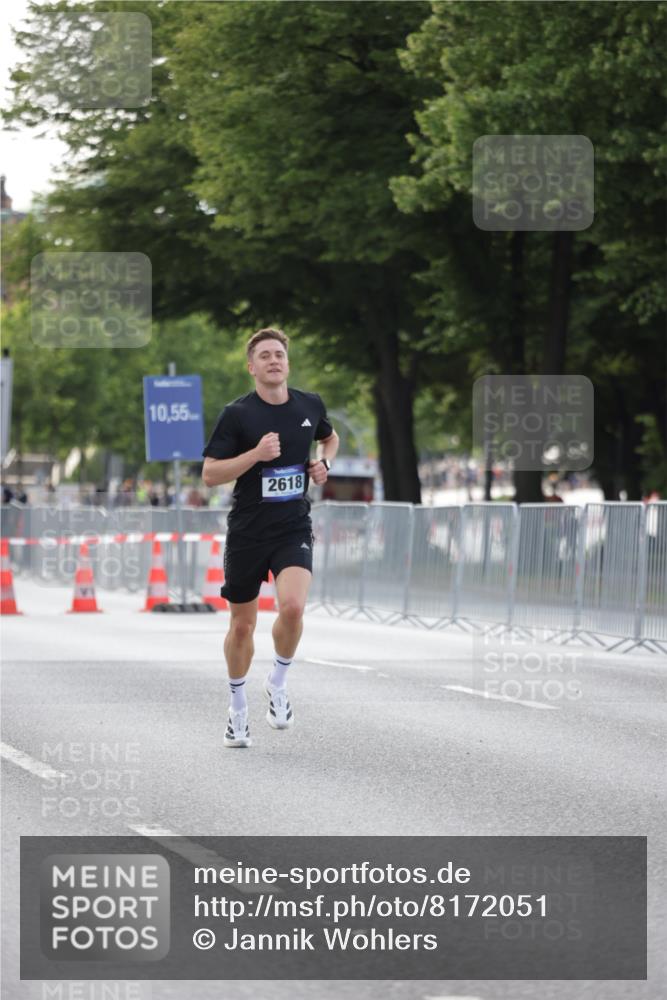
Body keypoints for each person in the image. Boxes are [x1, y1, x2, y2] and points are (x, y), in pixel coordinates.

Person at [202, 328, 339, 748]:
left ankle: (277, 681)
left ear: (287, 363)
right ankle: (237, 708)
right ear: (252, 367)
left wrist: (324, 464)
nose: (273, 360)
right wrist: (255, 455)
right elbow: (210, 474)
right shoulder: (237, 414)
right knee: (243, 626)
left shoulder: (309, 404)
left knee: (293, 607)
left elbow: (329, 438)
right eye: (264, 355)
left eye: (279, 354)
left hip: (292, 525)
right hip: (247, 531)